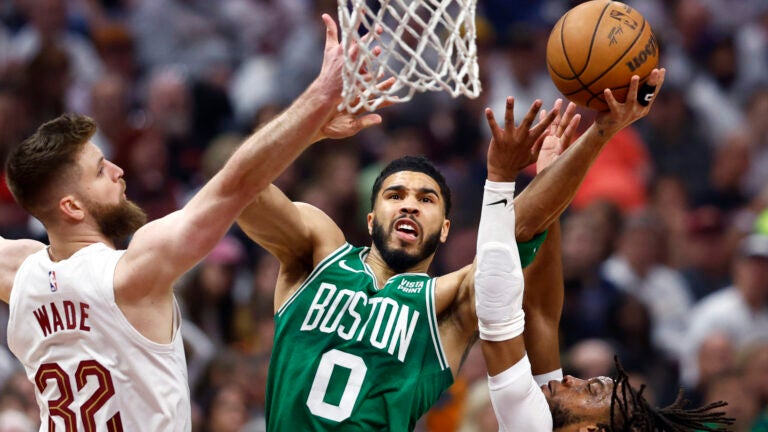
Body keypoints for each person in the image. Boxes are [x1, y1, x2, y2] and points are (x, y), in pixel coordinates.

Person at [234, 19, 676, 427]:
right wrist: (308, 123)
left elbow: (515, 237)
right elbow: (238, 190)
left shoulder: (448, 306)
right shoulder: (317, 250)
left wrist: (589, 139)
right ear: (370, 220)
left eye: (426, 199)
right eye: (395, 195)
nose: (409, 205)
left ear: (446, 230)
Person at [0, 14, 385, 431]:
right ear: (72, 207)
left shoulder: (20, 271)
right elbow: (234, 185)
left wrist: (308, 131)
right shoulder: (131, 274)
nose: (118, 171)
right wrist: (318, 99)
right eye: (99, 171)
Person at [474, 72, 735, 431]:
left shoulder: (533, 422)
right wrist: (548, 179)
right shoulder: (548, 413)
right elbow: (542, 312)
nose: (573, 379)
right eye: (589, 384)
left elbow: (496, 301)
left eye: (591, 389)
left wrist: (500, 178)